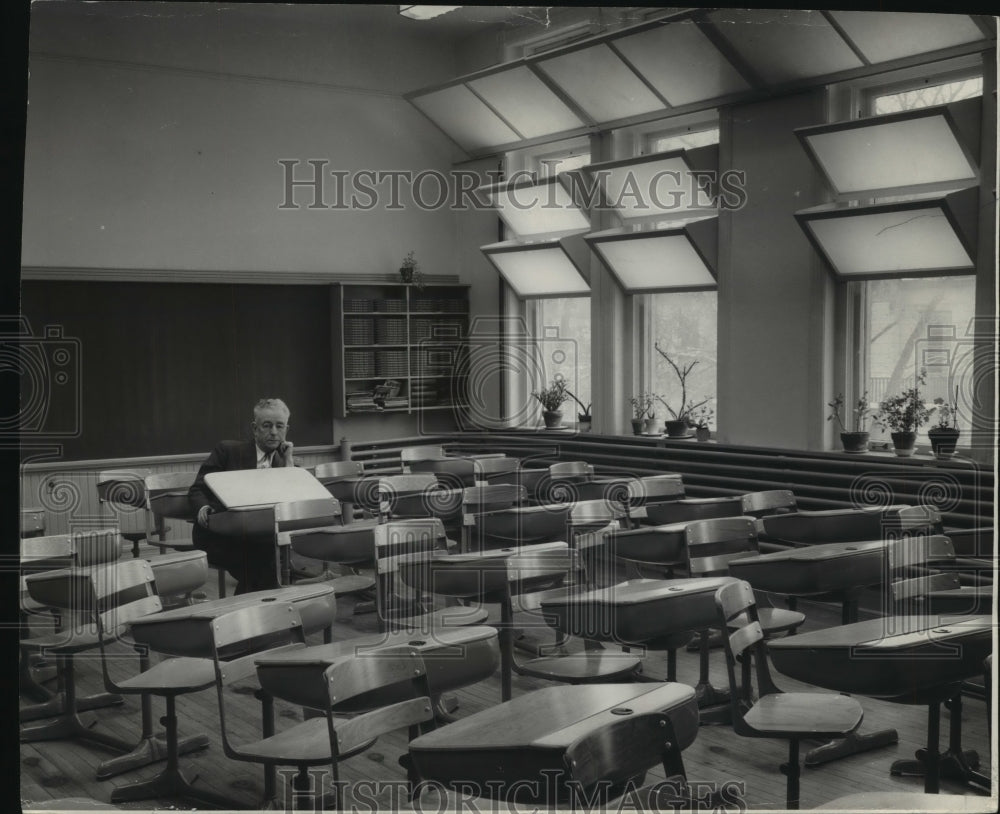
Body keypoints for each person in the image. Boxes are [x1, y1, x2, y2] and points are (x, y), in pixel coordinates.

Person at [188, 398, 295, 594]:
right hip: (220, 535)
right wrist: (204, 509)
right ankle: (259, 611)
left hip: (261, 537)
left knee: (267, 560)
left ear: (286, 429)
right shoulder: (228, 451)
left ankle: (247, 612)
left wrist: (288, 462)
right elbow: (197, 489)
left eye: (279, 426)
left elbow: (293, 499)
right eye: (267, 425)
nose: (273, 432)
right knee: (266, 563)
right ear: (255, 428)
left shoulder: (284, 462)